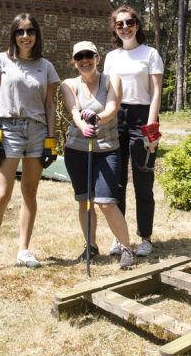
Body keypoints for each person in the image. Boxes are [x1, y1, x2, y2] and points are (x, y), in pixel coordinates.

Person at [0, 13, 60, 280]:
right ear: (13, 34)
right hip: (7, 130)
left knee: (30, 193)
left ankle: (23, 250)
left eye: (30, 30)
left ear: (37, 34)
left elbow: (50, 106)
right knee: (0, 195)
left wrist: (51, 140)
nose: (25, 36)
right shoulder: (0, 61)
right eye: (20, 31)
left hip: (36, 132)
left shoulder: (45, 66)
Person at [61, 41, 135, 270]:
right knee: (84, 201)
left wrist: (97, 119)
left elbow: (113, 107)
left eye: (89, 56)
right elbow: (73, 110)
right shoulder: (68, 84)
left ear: (97, 58)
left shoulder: (112, 80)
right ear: (74, 62)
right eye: (80, 57)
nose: (85, 61)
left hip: (107, 149)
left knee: (106, 202)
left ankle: (126, 248)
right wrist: (84, 126)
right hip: (77, 149)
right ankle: (90, 246)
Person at [104, 5, 164, 258]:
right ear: (115, 29)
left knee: (143, 180)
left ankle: (145, 237)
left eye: (129, 23)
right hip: (117, 117)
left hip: (143, 117)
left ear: (137, 25)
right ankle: (120, 238)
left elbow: (157, 93)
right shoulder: (111, 57)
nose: (125, 28)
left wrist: (151, 129)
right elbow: (106, 93)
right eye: (120, 24)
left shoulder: (150, 54)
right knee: (116, 182)